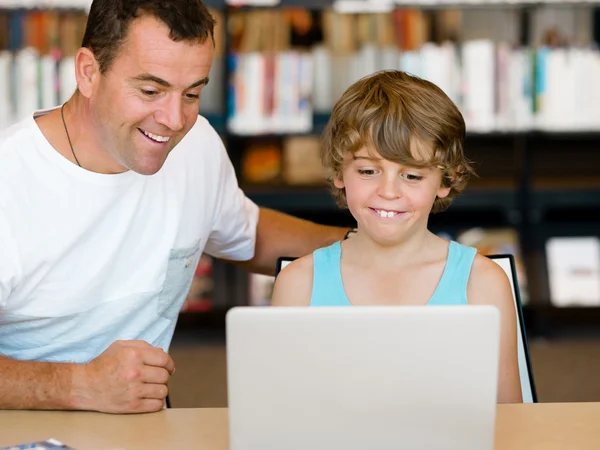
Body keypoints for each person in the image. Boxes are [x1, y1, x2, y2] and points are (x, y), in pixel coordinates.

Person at [0, 0, 350, 414]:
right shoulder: (12, 181)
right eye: (151, 90)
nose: (174, 119)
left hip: (140, 428)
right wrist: (78, 385)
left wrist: (374, 247)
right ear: (88, 73)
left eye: (193, 93)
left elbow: (248, 235)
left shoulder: (196, 143)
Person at [271, 70, 523, 404]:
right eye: (367, 171)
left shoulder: (483, 284)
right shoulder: (297, 285)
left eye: (412, 175)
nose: (388, 191)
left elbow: (509, 420)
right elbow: (279, 417)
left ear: (446, 179)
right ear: (338, 172)